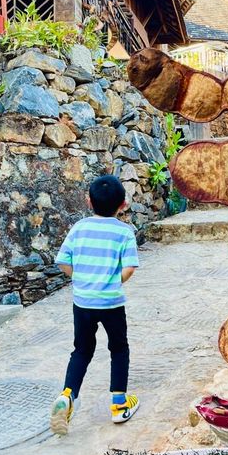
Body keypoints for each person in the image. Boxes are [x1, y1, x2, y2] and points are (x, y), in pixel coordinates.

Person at [49, 174, 140, 435]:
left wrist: (81, 278)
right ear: (123, 205)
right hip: (111, 302)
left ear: (88, 201)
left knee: (82, 350)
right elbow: (130, 267)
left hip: (83, 302)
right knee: (119, 348)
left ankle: (67, 396)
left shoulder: (79, 228)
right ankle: (119, 404)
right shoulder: (124, 232)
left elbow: (63, 261)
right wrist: (112, 282)